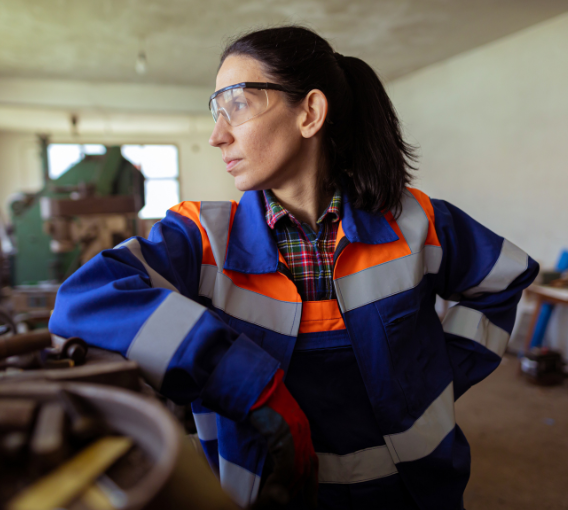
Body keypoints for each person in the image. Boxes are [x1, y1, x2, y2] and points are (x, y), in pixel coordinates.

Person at [49, 26, 539, 510]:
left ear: (309, 112)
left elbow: (503, 280)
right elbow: (84, 300)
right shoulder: (201, 239)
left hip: (413, 491)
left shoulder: (419, 223)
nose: (218, 135)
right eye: (216, 111)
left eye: (236, 104)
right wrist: (245, 380)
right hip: (268, 491)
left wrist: (432, 381)